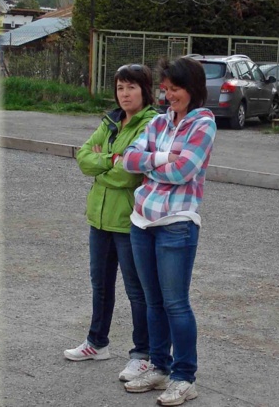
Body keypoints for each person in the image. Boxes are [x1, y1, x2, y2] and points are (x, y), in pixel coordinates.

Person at [120, 57, 216, 406]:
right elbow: (128, 158)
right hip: (141, 221)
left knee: (176, 303)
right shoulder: (159, 122)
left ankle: (184, 376)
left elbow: (185, 171)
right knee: (152, 301)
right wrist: (164, 158)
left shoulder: (203, 123)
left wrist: (152, 163)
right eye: (166, 88)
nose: (168, 94)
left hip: (176, 223)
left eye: (175, 89)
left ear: (192, 89)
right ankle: (159, 366)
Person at [64, 64, 158, 384]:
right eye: (120, 88)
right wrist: (110, 160)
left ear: (145, 90)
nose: (125, 94)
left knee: (137, 290)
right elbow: (83, 157)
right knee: (101, 285)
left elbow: (130, 173)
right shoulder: (112, 120)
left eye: (131, 87)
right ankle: (96, 343)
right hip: (100, 217)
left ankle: (142, 355)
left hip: (131, 221)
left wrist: (107, 164)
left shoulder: (151, 125)